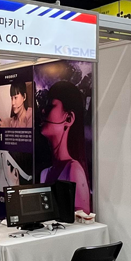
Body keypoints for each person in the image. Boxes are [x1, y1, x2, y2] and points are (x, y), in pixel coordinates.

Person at [40, 81, 91, 213]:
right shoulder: (44, 174)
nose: (43, 110)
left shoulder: (74, 170)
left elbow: (82, 220)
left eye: (51, 106)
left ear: (69, 118)